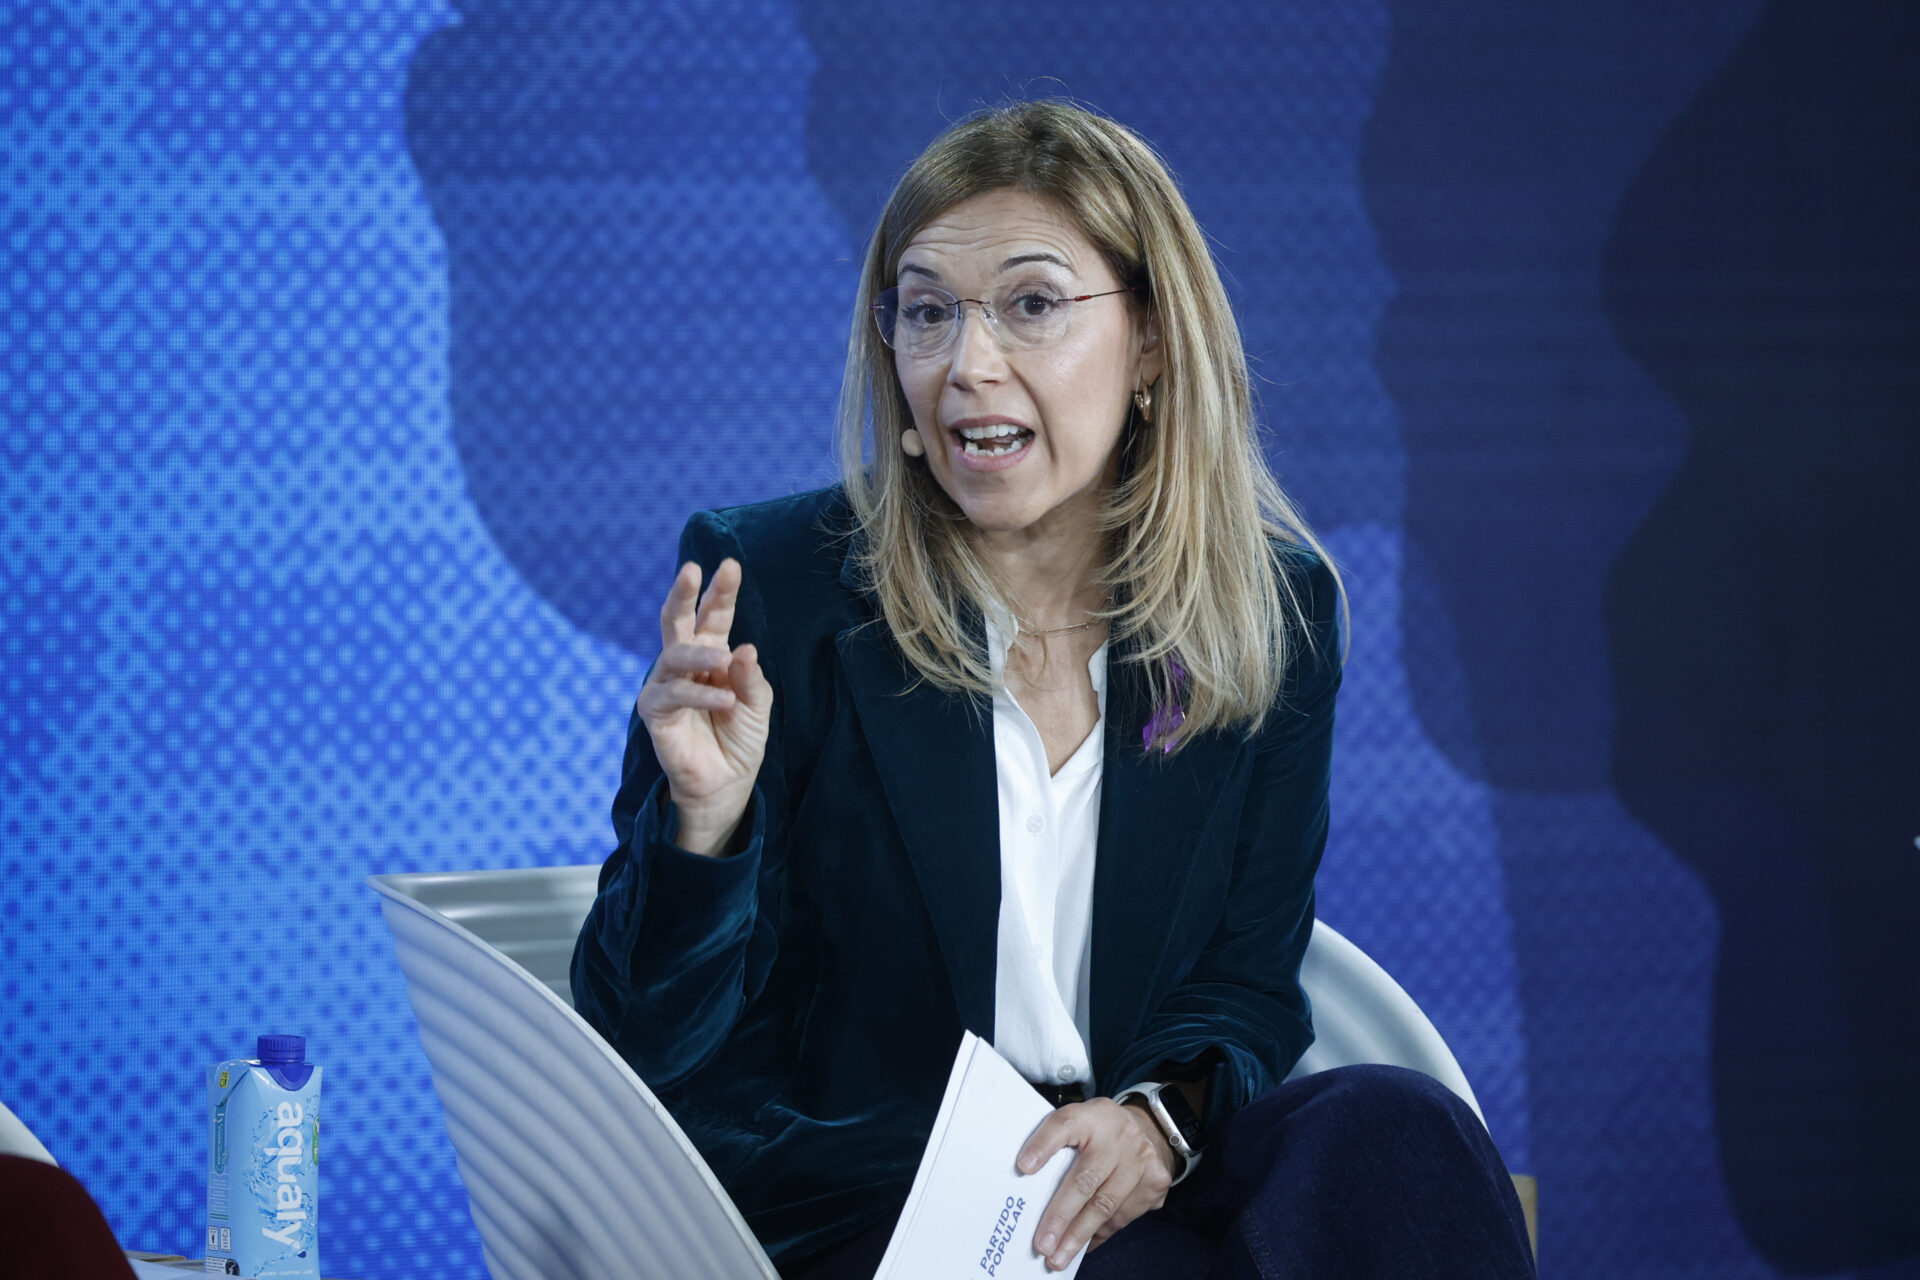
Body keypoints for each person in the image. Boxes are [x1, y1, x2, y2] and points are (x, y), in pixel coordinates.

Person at [572, 100, 1534, 1279]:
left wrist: (1156, 1123)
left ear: (1150, 344)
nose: (967, 365)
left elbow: (1246, 984)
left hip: (1140, 1168)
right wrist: (703, 824)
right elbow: (639, 1043)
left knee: (1398, 1128)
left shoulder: (1272, 613)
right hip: (885, 1203)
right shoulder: (775, 587)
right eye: (928, 311)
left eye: (1032, 304)